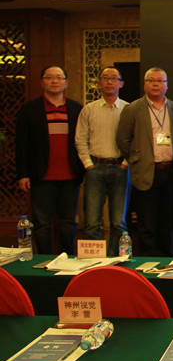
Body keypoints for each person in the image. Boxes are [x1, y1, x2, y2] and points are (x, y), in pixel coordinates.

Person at [16, 65, 84, 255]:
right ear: (42, 82)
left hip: (70, 175)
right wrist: (23, 174)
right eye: (49, 77)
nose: (55, 81)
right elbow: (21, 144)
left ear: (66, 82)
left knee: (68, 222)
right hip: (41, 175)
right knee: (42, 223)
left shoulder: (76, 109)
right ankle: (43, 259)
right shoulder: (29, 110)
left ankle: (67, 258)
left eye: (59, 77)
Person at [116, 67, 173, 256]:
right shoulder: (133, 108)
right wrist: (136, 159)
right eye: (151, 80)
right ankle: (147, 259)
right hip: (145, 171)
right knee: (146, 221)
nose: (155, 84)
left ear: (166, 85)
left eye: (160, 81)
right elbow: (123, 139)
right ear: (144, 84)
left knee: (168, 221)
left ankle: (167, 259)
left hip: (170, 171)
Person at [75, 67, 129, 255]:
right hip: (95, 168)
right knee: (91, 222)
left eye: (114, 78)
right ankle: (93, 261)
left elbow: (135, 139)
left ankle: (116, 260)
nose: (109, 82)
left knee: (118, 222)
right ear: (99, 83)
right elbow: (80, 139)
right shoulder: (89, 110)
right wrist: (88, 164)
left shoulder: (128, 109)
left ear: (121, 83)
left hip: (121, 168)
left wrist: (126, 163)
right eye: (105, 78)